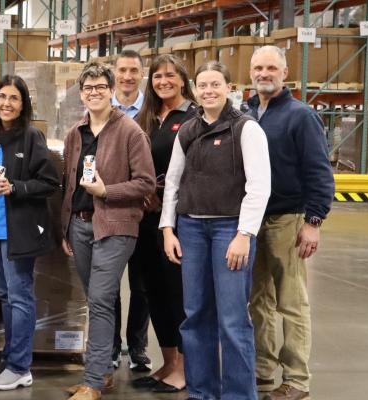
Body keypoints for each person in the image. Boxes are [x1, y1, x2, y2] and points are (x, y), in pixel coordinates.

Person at [160, 61, 272, 400]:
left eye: (215, 84)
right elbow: (173, 183)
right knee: (195, 316)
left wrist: (244, 234)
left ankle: (239, 395)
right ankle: (202, 392)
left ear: (229, 88)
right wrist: (168, 228)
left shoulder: (246, 129)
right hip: (191, 229)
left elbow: (259, 186)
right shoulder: (187, 131)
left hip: (229, 230)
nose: (208, 91)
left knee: (232, 319)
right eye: (203, 85)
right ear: (195, 90)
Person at [60, 61, 156, 400]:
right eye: (88, 88)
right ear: (81, 94)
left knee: (100, 300)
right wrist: (65, 228)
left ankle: (93, 382)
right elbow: (69, 184)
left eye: (101, 87)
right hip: (80, 226)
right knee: (99, 299)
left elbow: (146, 184)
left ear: (112, 91)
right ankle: (102, 372)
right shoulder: (75, 133)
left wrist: (106, 191)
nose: (94, 93)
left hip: (115, 226)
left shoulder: (130, 132)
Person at [245, 45, 335, 400]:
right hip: (253, 220)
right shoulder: (247, 113)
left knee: (291, 303)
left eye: (271, 68)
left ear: (285, 72)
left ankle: (296, 380)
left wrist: (313, 221)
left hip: (288, 219)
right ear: (250, 73)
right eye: (258, 68)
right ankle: (262, 371)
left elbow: (319, 171)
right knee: (259, 302)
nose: (263, 74)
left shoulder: (301, 116)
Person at [0, 75, 60, 391]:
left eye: (14, 98)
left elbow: (49, 182)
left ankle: (21, 367)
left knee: (20, 297)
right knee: (5, 296)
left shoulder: (31, 137)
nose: (6, 103)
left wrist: (15, 188)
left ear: (23, 105)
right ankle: (8, 359)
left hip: (17, 231)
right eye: (2, 97)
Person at [126, 53, 199, 394]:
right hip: (145, 217)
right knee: (151, 290)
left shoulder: (193, 117)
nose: (164, 81)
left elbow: (197, 169)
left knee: (176, 292)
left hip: (177, 219)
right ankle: (168, 362)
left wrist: (166, 197)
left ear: (183, 79)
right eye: (157, 76)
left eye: (170, 75)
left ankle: (184, 368)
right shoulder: (147, 118)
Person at [109, 49, 150, 372]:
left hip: (144, 210)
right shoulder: (101, 108)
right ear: (114, 72)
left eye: (133, 71)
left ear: (141, 73)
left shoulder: (151, 111)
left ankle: (138, 347)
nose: (127, 76)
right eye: (122, 70)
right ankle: (110, 346)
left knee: (142, 284)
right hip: (108, 209)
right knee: (109, 283)